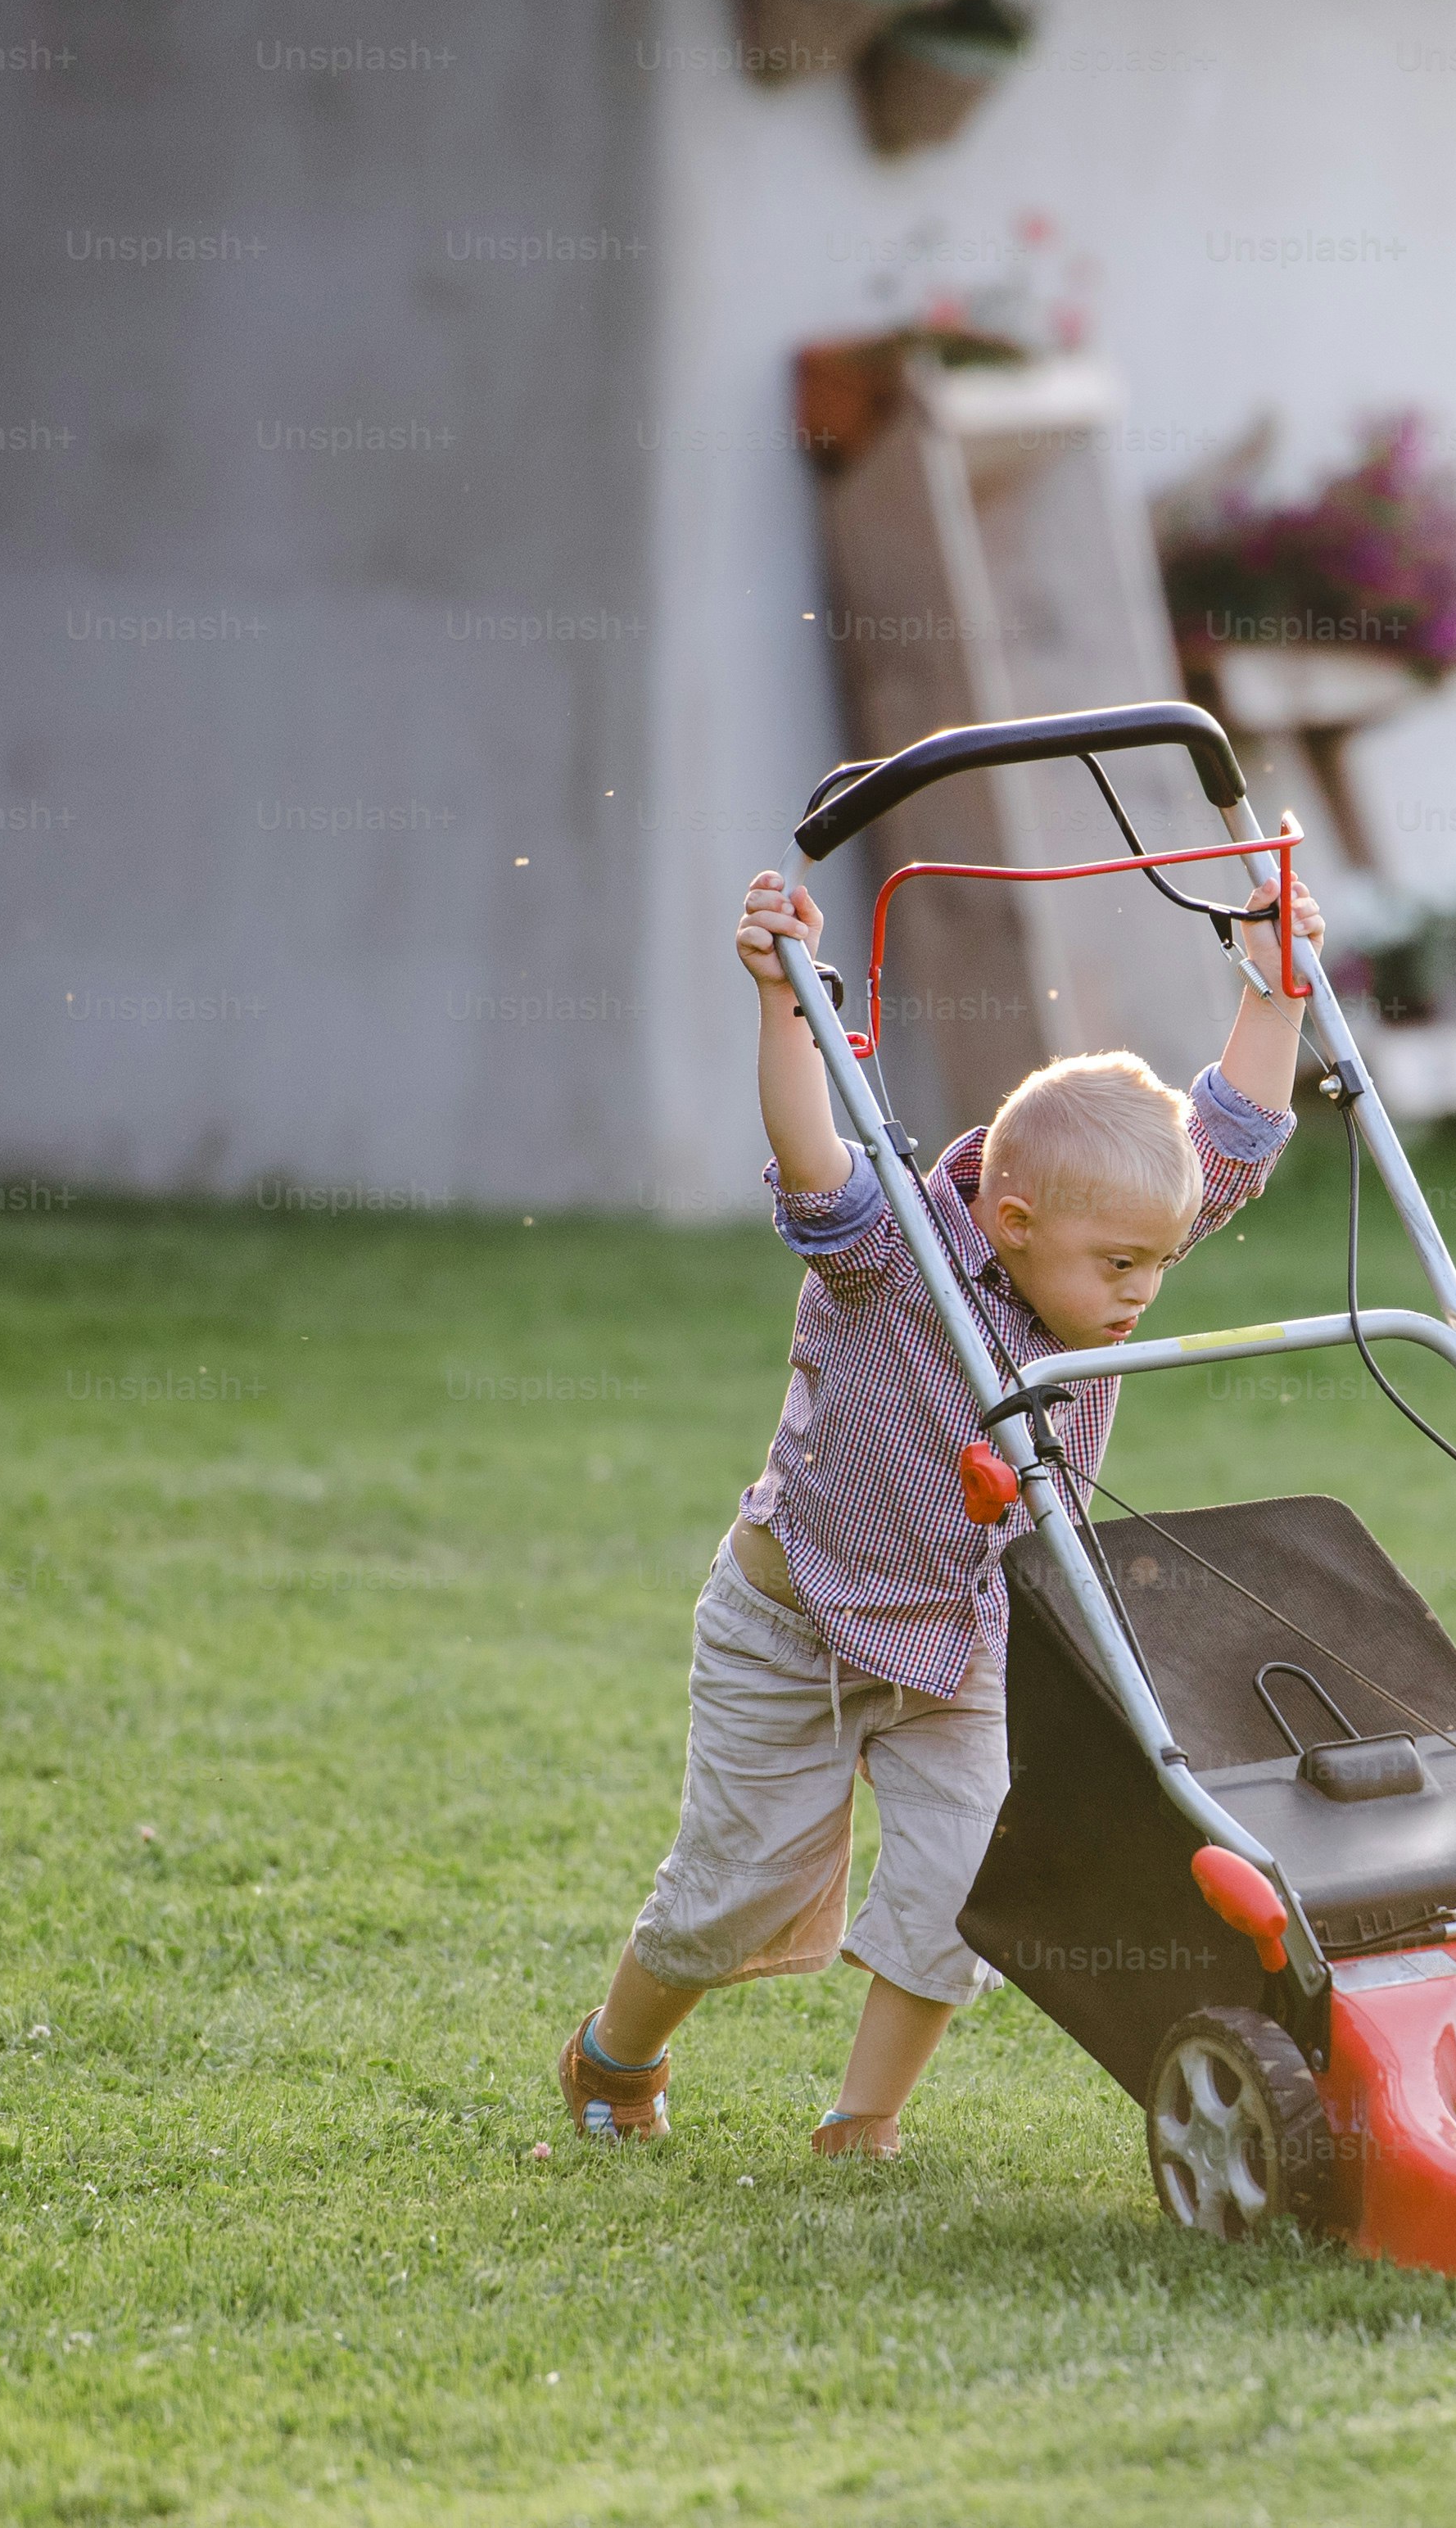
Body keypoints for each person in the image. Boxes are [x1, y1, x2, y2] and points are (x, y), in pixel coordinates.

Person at [558, 861, 1322, 2157]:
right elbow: (813, 1161)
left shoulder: (1110, 1231)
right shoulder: (891, 1257)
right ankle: (615, 2058)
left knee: (961, 1876)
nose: (1144, 1292)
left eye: (1158, 1260)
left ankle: (865, 2121)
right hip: (795, 1624)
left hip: (968, 1639)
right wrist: (779, 1002)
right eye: (1121, 1267)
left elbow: (1235, 1137)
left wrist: (1276, 976)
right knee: (735, 1888)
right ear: (1012, 1222)